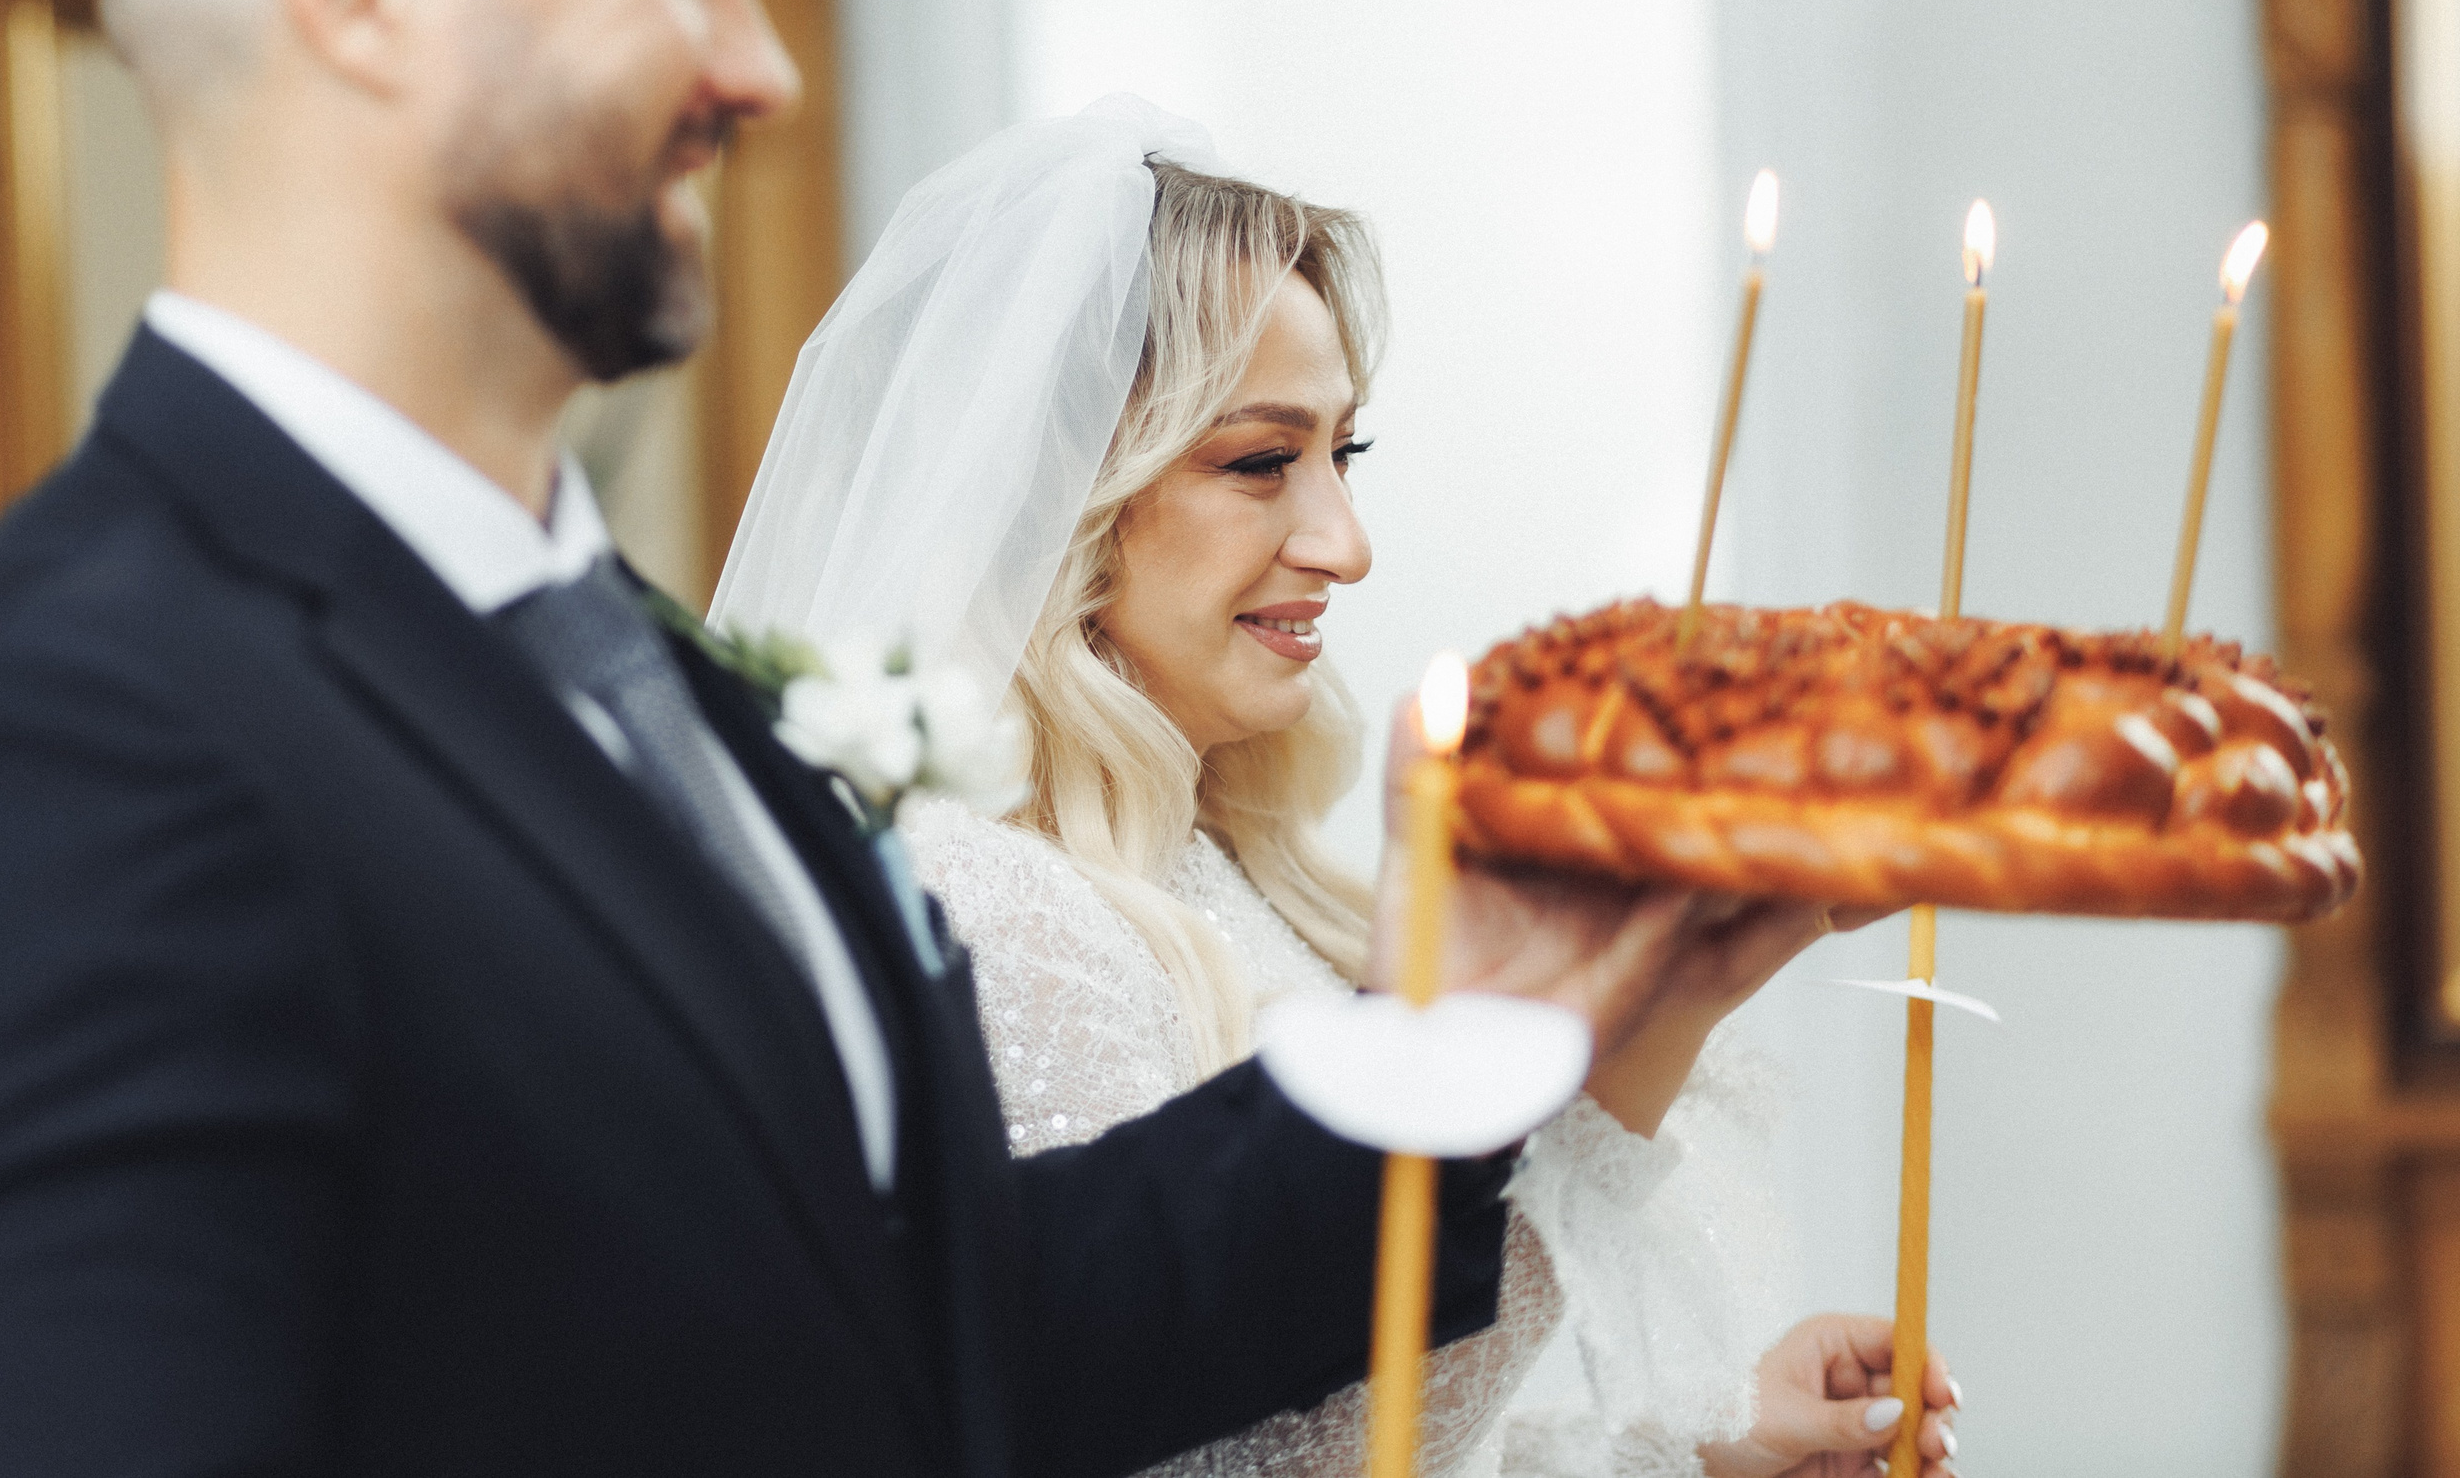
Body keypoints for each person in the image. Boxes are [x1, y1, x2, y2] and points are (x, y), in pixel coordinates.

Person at [0, 0, 1768, 1477]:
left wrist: (1496, 1013)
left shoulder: (653, 685)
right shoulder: (66, 723)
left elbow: (975, 1333)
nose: (763, 67)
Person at [713, 102, 1965, 1478]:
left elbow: (1343, 1425)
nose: (1346, 543)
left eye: (1342, 455)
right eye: (1262, 461)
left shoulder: (1223, 860)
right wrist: (1668, 1000)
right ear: (1057, 487)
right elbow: (1226, 1456)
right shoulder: (987, 901)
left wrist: (1700, 1448)